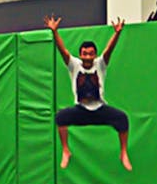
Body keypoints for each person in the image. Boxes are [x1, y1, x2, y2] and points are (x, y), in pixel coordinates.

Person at [43, 14, 132, 171]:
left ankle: (123, 152)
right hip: (81, 110)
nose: (88, 56)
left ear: (95, 55)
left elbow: (109, 50)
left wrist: (117, 33)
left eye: (91, 53)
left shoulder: (100, 64)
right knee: (60, 117)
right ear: (81, 55)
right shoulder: (74, 65)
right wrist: (54, 32)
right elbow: (62, 50)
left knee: (122, 118)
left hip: (100, 109)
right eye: (85, 53)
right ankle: (66, 150)